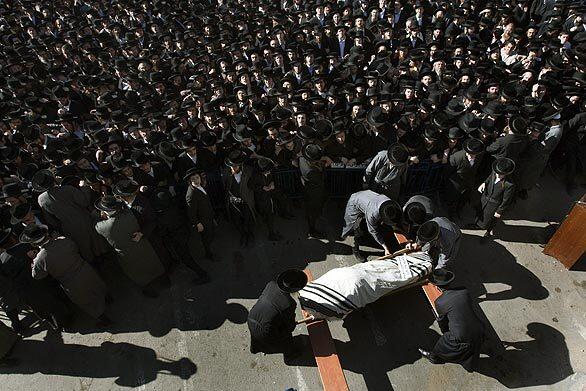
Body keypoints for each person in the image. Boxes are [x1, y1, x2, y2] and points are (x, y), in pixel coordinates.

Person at [299, 250, 434, 319]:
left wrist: (314, 316)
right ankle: (418, 261)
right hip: (346, 274)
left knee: (389, 280)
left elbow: (338, 314)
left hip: (357, 287)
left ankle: (422, 266)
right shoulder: (306, 290)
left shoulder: (325, 308)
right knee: (383, 269)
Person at [21, 225, 111, 327]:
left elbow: (37, 276)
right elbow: (75, 248)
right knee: (96, 284)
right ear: (46, 234)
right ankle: (107, 298)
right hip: (85, 269)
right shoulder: (63, 240)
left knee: (86, 301)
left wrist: (33, 262)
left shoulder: (39, 260)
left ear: (33, 243)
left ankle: (103, 318)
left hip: (70, 282)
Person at [0, 227, 73, 332]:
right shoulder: (25, 247)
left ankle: (56, 325)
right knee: (53, 301)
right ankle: (66, 319)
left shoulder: (2, 260)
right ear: (11, 239)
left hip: (25, 291)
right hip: (40, 281)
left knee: (40, 308)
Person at [32, 169, 110, 264]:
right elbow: (84, 202)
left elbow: (51, 221)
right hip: (85, 220)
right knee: (97, 243)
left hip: (69, 228)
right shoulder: (67, 189)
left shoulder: (41, 200)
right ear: (53, 180)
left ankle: (94, 266)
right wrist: (84, 187)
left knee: (84, 249)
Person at [94, 196, 166, 298]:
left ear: (105, 211)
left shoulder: (102, 227)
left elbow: (96, 225)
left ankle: (149, 290)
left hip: (126, 254)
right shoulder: (129, 214)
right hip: (141, 245)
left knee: (137, 272)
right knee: (152, 264)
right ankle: (163, 280)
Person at [418, 269, 485, 372]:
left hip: (461, 336)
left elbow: (443, 322)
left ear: (436, 287)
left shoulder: (440, 302)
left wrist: (445, 333)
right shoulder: (463, 290)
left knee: (441, 345)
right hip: (479, 328)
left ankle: (434, 358)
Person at [151, 190, 210, 285]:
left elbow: (162, 232)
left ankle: (203, 275)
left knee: (186, 259)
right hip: (184, 233)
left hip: (177, 239)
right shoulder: (174, 207)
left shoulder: (163, 217)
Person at [248, 269, 307, 357]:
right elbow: (290, 326)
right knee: (285, 338)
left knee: (256, 335)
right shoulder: (289, 304)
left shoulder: (271, 284)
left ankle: (255, 348)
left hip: (251, 317)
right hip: (265, 329)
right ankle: (290, 355)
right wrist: (291, 326)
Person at [341, 190, 403, 262]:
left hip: (367, 198)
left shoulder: (390, 205)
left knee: (377, 226)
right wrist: (385, 247)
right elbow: (373, 231)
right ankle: (355, 248)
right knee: (357, 228)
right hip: (355, 201)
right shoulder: (373, 214)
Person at [473, 158, 517, 240]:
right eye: (497, 173)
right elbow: (489, 178)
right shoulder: (495, 172)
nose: (498, 175)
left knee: (491, 220)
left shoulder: (509, 184)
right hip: (485, 199)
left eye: (501, 174)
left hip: (494, 205)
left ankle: (488, 232)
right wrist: (484, 183)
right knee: (481, 212)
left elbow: (506, 200)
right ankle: (477, 224)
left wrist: (499, 211)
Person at [224, 150, 256, 246]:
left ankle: (250, 235)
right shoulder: (226, 173)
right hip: (234, 202)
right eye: (232, 165)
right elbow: (225, 188)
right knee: (237, 220)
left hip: (246, 200)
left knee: (248, 218)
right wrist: (231, 198)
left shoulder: (248, 171)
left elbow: (253, 185)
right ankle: (243, 235)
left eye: (235, 165)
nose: (233, 168)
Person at [185, 168, 217, 261]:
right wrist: (197, 223)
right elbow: (191, 212)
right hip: (203, 221)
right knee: (206, 238)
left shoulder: (200, 186)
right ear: (190, 181)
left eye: (197, 177)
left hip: (208, 216)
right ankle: (209, 254)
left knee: (210, 235)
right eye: (193, 179)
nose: (196, 180)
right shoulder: (191, 194)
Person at [298, 143, 329, 238]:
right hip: (314, 193)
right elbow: (322, 177)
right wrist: (324, 167)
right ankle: (312, 230)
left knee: (311, 210)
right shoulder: (312, 172)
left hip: (308, 189)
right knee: (312, 212)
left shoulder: (301, 159)